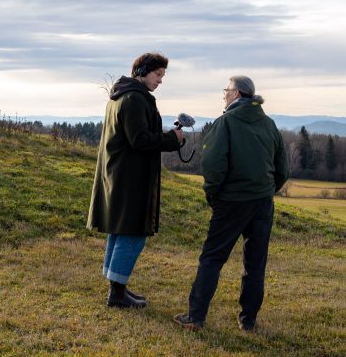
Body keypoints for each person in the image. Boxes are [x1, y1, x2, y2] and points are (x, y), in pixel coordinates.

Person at [173, 75, 289, 331]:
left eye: (226, 91)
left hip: (231, 201)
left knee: (212, 258)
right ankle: (248, 320)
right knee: (255, 263)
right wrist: (268, 190)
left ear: (236, 94)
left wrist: (213, 194)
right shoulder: (269, 124)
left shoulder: (225, 123)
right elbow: (282, 168)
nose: (224, 95)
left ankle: (196, 316)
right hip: (262, 202)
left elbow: (213, 165)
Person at [87, 53, 184, 308]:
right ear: (141, 71)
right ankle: (117, 293)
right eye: (157, 74)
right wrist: (172, 139)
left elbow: (136, 135)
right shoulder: (134, 99)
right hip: (131, 177)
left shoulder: (121, 97)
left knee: (121, 230)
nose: (160, 80)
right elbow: (139, 140)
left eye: (162, 75)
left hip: (120, 174)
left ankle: (116, 288)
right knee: (133, 231)